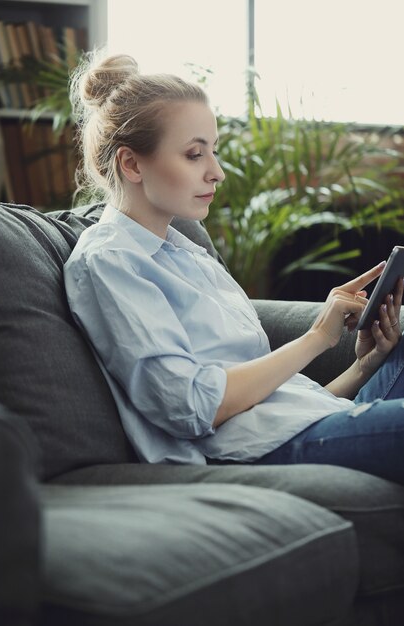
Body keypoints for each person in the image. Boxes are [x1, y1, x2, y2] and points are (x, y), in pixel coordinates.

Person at [64, 49, 404, 484]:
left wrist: (366, 366)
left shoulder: (188, 254)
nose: (217, 172)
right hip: (250, 455)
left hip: (294, 430)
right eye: (194, 155)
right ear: (131, 163)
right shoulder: (110, 263)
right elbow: (195, 407)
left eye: (214, 152)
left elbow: (283, 408)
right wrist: (319, 336)